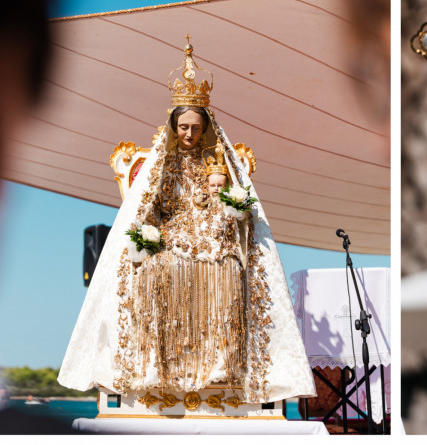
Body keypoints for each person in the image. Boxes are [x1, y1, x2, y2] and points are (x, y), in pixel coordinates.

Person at [58, 38, 315, 405]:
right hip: (170, 236)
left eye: (196, 127)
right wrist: (152, 235)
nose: (190, 135)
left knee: (228, 263)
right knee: (159, 265)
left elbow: (238, 213)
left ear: (206, 127)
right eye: (183, 128)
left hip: (214, 235)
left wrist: (231, 209)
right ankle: (159, 368)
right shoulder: (161, 166)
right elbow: (148, 210)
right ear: (173, 127)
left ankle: (222, 367)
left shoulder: (222, 163)